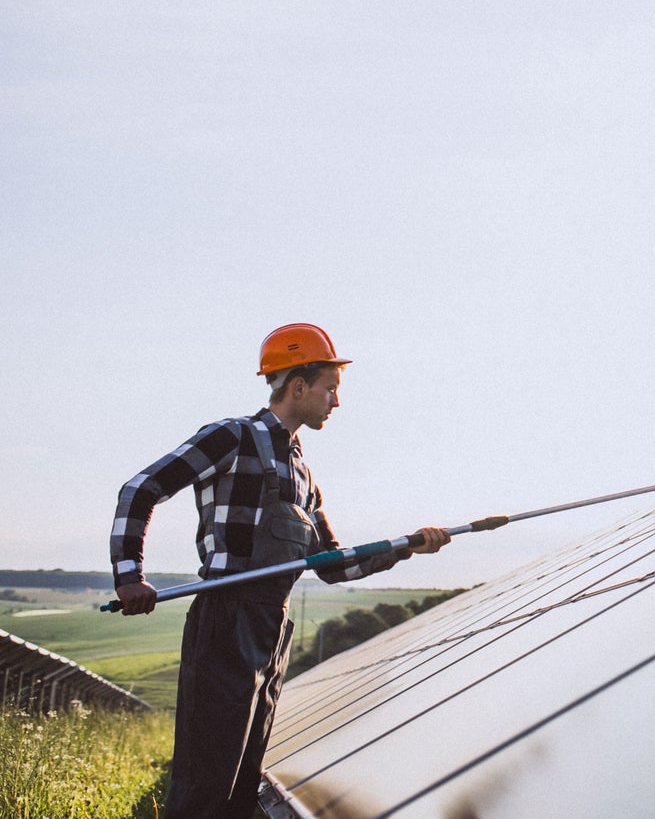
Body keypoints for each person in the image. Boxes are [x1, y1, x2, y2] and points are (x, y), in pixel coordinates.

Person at [110, 323, 451, 819]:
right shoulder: (233, 437)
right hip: (227, 619)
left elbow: (332, 565)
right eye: (330, 388)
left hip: (274, 626)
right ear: (297, 385)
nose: (336, 402)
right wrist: (128, 575)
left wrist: (407, 547)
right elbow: (140, 490)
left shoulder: (303, 473)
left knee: (241, 784)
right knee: (207, 779)